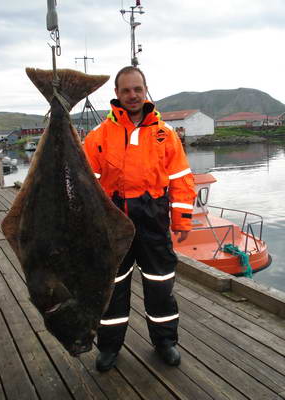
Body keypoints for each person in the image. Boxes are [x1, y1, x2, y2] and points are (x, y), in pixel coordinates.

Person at [83, 66, 196, 372]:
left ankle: (165, 342)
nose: (132, 95)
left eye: (138, 89)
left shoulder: (166, 134)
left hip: (154, 222)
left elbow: (182, 180)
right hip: (112, 225)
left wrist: (182, 221)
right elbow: (84, 188)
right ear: (116, 95)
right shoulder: (96, 137)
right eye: (126, 90)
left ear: (145, 91)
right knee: (112, 288)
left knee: (160, 287)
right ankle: (108, 346)